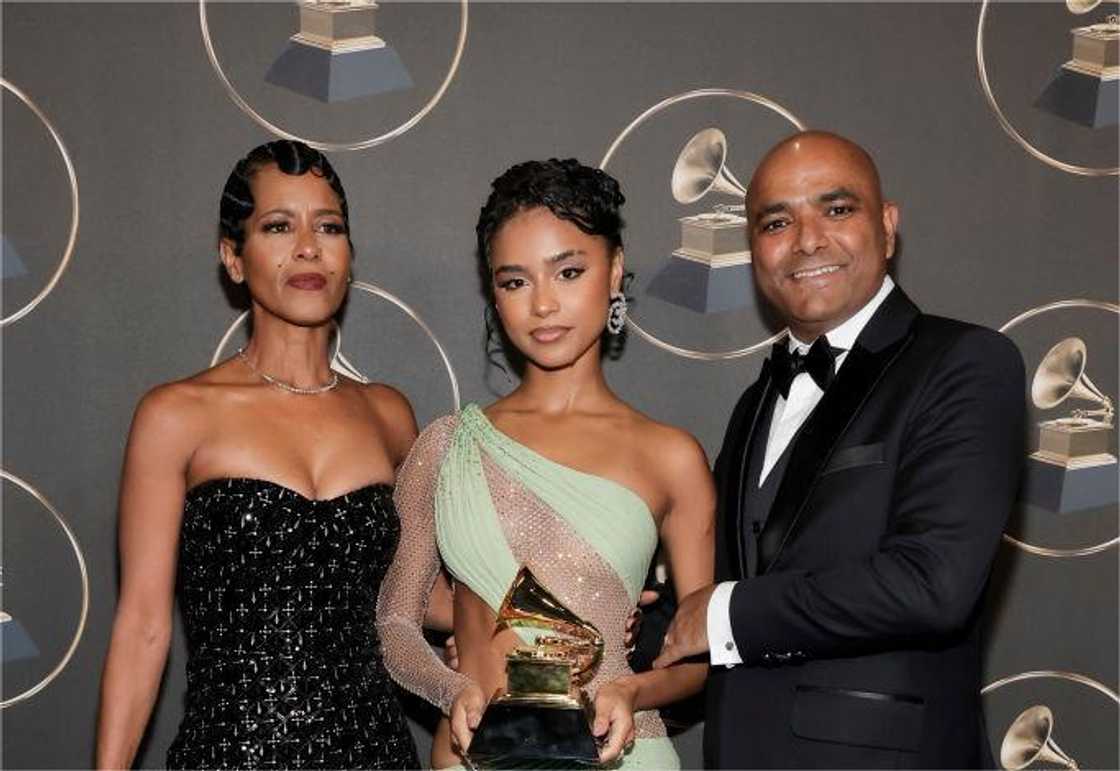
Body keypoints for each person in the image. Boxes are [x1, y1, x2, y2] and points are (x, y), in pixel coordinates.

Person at [653, 131, 1025, 769]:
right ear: (754, 249)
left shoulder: (964, 362)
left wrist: (724, 613)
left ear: (887, 226)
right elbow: (713, 580)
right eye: (777, 221)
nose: (806, 239)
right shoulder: (756, 402)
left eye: (837, 209)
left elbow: (931, 585)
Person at [95, 140, 439, 769]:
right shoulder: (176, 414)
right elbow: (144, 626)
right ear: (233, 256)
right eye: (278, 226)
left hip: (374, 753)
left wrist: (571, 592)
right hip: (229, 755)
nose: (308, 247)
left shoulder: (388, 415)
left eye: (328, 227)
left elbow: (417, 598)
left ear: (349, 255)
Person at [377, 158, 714, 769]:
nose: (543, 304)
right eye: (515, 281)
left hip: (622, 753)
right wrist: (455, 690)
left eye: (568, 271)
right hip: (474, 753)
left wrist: (631, 689)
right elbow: (395, 624)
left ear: (613, 272)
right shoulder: (448, 446)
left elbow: (697, 659)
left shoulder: (671, 456)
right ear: (493, 293)